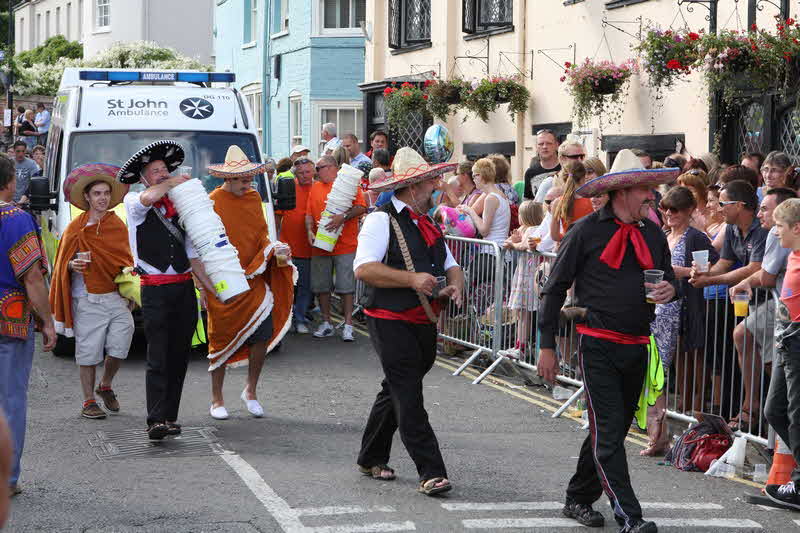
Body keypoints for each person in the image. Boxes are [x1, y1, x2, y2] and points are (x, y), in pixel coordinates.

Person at [538, 149, 680, 533]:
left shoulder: (652, 232)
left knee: (610, 430)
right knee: (609, 428)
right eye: (644, 191)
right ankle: (629, 516)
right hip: (597, 342)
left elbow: (669, 278)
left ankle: (579, 497)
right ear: (622, 192)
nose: (651, 197)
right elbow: (553, 289)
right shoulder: (585, 231)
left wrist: (672, 288)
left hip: (637, 343)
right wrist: (546, 345)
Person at [354, 146, 463, 496]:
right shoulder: (379, 219)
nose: (436, 187)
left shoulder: (428, 221)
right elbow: (364, 268)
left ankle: (371, 455)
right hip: (388, 318)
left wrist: (455, 287)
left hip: (422, 318)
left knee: (396, 388)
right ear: (413, 187)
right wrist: (411, 279)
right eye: (432, 181)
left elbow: (451, 264)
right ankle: (431, 470)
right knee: (408, 392)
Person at [117, 140, 216, 440]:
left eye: (164, 169)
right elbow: (149, 198)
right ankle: (154, 419)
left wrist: (210, 290)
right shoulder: (134, 201)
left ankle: (169, 417)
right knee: (158, 355)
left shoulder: (179, 206)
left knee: (179, 355)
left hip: (184, 288)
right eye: (155, 171)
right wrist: (173, 180)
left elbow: (193, 255)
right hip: (155, 290)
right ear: (144, 178)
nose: (162, 174)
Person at [204, 146, 295, 420]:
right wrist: (203, 284)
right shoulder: (212, 201)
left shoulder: (254, 198)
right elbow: (203, 245)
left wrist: (274, 249)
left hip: (254, 276)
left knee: (263, 334)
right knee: (218, 340)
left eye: (249, 179)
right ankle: (216, 399)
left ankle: (251, 391)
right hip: (224, 280)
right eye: (243, 180)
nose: (248, 184)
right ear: (228, 179)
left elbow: (262, 235)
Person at [48, 164, 134, 419]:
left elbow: (127, 260)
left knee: (120, 346)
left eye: (106, 193)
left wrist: (130, 290)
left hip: (115, 297)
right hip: (86, 297)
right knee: (88, 352)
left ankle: (105, 385)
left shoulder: (117, 225)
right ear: (87, 197)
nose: (102, 198)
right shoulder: (75, 228)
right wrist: (72, 265)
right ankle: (88, 402)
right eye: (97, 193)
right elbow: (63, 263)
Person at [643, 186, 718, 456]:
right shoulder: (664, 235)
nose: (668, 214)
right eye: (664, 208)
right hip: (654, 310)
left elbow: (709, 270)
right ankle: (657, 434)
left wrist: (678, 272)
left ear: (689, 211)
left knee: (658, 373)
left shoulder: (696, 238)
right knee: (653, 372)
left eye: (674, 209)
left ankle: (659, 437)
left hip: (678, 311)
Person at [690, 180, 770, 430]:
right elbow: (725, 262)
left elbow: (755, 268)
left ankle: (755, 407)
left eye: (723, 203)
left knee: (764, 356)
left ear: (740, 205)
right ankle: (750, 406)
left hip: (768, 299)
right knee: (742, 346)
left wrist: (711, 280)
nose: (719, 208)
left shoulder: (762, 229)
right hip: (747, 301)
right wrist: (704, 275)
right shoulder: (733, 228)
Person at [0, 154, 56, 496]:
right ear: (10, 183)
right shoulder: (16, 218)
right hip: (9, 321)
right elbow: (32, 277)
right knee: (10, 400)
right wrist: (48, 320)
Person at [725, 188, 797, 434]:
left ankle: (755, 410)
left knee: (785, 402)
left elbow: (766, 276)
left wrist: (746, 281)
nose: (759, 214)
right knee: (777, 406)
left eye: (765, 209)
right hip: (786, 323)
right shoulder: (783, 242)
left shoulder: (779, 237)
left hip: (789, 325)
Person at [764, 197, 800, 509]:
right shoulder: (792, 254)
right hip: (785, 340)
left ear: (797, 228)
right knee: (775, 410)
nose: (776, 232)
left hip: (797, 340)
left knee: (796, 413)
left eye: (779, 226)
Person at [306, 156, 367, 341]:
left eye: (320, 167)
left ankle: (348, 325)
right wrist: (309, 230)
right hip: (321, 245)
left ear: (332, 167)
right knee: (321, 286)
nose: (317, 171)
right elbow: (308, 213)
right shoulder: (315, 187)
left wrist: (344, 217)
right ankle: (326, 323)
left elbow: (361, 207)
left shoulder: (348, 183)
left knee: (345, 286)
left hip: (345, 245)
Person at [502, 200, 546, 359]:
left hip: (527, 277)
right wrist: (513, 242)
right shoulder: (525, 229)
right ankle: (519, 345)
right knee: (521, 313)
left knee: (523, 313)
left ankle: (521, 347)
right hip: (522, 275)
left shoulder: (533, 230)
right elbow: (509, 241)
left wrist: (514, 244)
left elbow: (523, 246)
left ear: (526, 216)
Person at [277, 157, 315, 334]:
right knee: (286, 287)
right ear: (295, 173)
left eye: (308, 171)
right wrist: (275, 241)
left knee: (305, 287)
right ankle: (284, 320)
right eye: (301, 173)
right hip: (287, 247)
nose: (305, 176)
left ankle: (300, 319)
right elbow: (277, 217)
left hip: (309, 249)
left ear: (313, 170)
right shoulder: (288, 186)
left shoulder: (319, 187)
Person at [550, 161, 593, 242]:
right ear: (584, 177)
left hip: (569, 247)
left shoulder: (558, 202)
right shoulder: (592, 199)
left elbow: (554, 236)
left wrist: (567, 238)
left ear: (563, 178)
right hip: (589, 247)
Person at [534, 139, 587, 203]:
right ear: (562, 158)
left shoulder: (588, 180)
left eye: (582, 157)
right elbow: (537, 210)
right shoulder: (550, 183)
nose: (580, 160)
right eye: (575, 157)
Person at [524, 129, 561, 200]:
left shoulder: (565, 168)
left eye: (549, 143)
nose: (544, 147)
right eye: (541, 144)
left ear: (557, 145)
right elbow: (528, 201)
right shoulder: (530, 173)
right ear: (536, 147)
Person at [11, 141, 39, 206]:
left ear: (26, 151)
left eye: (23, 151)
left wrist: (26, 197)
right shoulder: (9, 162)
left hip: (26, 201)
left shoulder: (32, 163)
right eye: (18, 151)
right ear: (14, 151)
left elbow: (34, 182)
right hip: (10, 200)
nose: (21, 154)